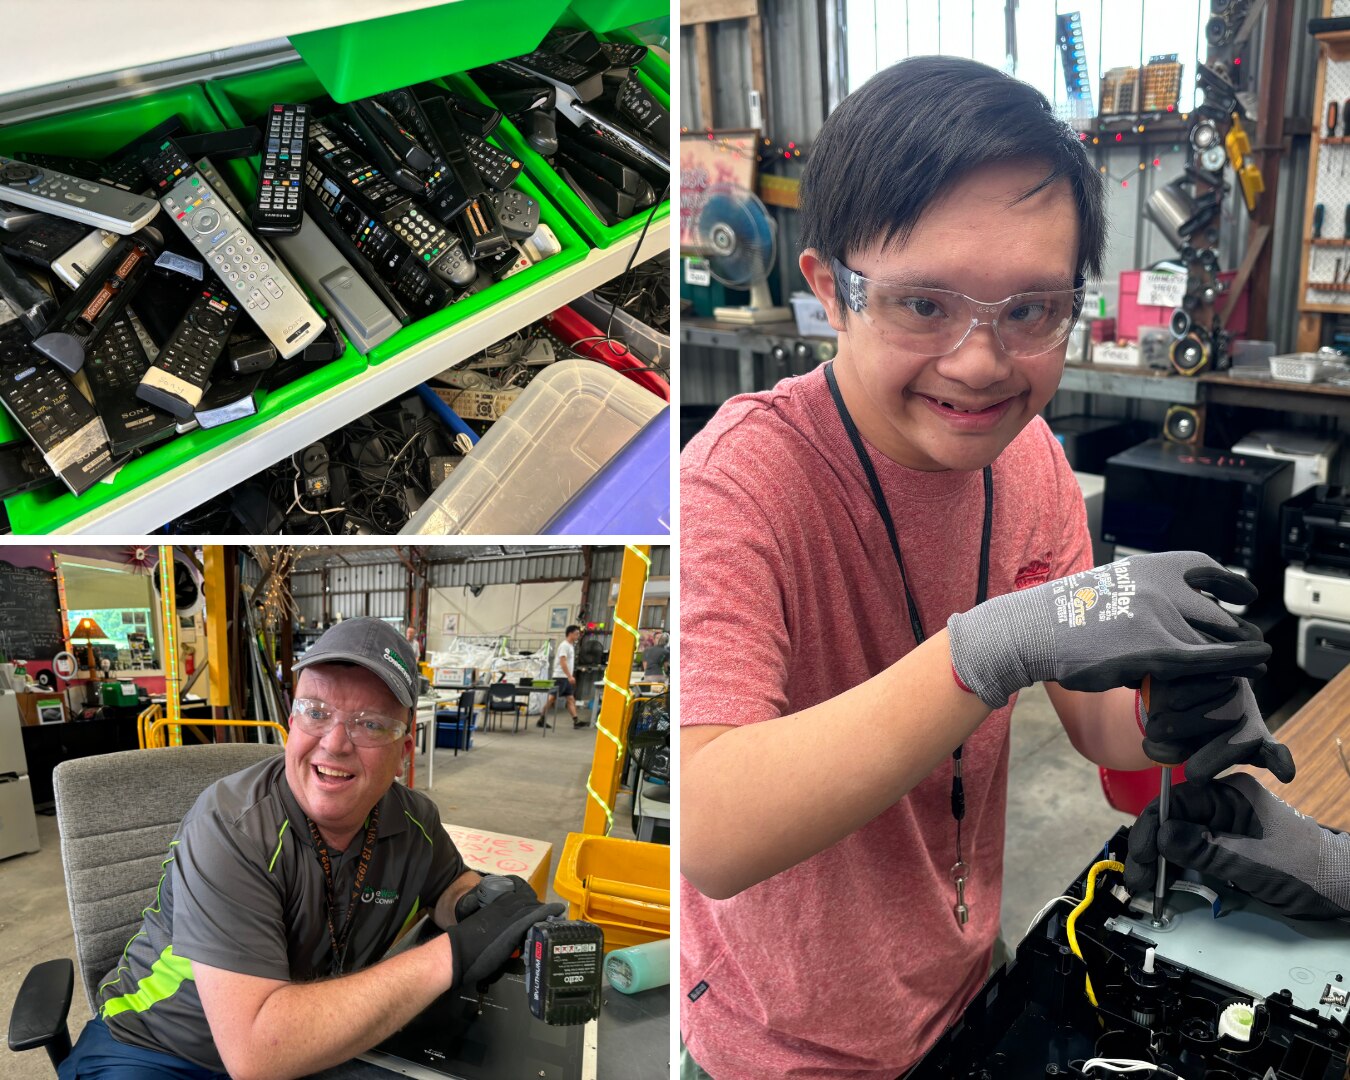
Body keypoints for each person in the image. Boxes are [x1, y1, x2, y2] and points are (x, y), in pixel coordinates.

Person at [679, 55, 1284, 1080]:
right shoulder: (737, 485)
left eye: (1031, 309)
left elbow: (1098, 727)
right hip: (781, 1045)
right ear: (830, 289)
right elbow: (715, 829)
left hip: (962, 982)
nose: (979, 360)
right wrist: (992, 647)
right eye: (923, 305)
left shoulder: (1031, 460)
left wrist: (1179, 715)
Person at [59, 617, 560, 1080]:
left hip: (314, 1046)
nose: (335, 743)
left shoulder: (414, 821)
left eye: (370, 723)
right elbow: (256, 1051)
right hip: (155, 1049)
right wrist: (449, 954)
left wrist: (479, 899)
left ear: (404, 751)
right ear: (292, 722)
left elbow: (448, 884)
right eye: (316, 712)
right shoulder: (232, 826)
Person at [542, 624, 583, 729]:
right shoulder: (564, 645)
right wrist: (570, 676)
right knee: (552, 699)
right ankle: (541, 719)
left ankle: (576, 721)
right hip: (560, 677)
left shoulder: (570, 646)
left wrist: (569, 676)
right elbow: (562, 662)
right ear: (570, 634)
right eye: (576, 634)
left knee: (570, 699)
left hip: (565, 677)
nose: (578, 636)